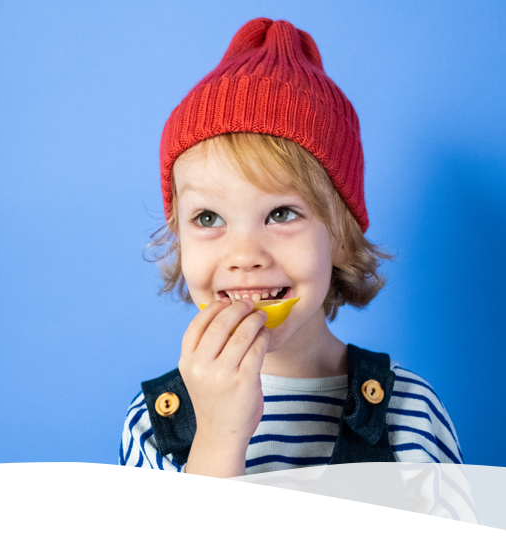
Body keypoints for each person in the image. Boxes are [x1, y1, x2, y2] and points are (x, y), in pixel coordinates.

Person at [119, 18, 463, 478]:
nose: (245, 255)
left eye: (281, 214)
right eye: (208, 218)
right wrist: (219, 437)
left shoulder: (409, 414)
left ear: (340, 236)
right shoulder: (153, 424)